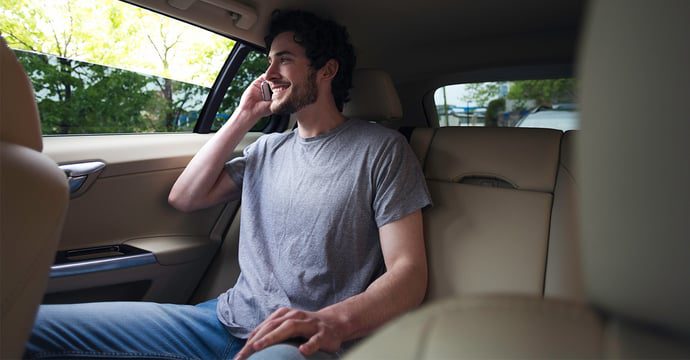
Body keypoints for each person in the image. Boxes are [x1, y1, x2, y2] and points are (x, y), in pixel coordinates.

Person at [25, 10, 431, 360]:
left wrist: (330, 322)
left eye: (284, 61)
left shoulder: (381, 151)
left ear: (326, 70)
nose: (268, 74)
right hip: (217, 321)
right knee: (26, 324)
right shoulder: (267, 149)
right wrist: (242, 117)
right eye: (269, 61)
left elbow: (408, 272)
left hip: (298, 342)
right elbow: (186, 197)